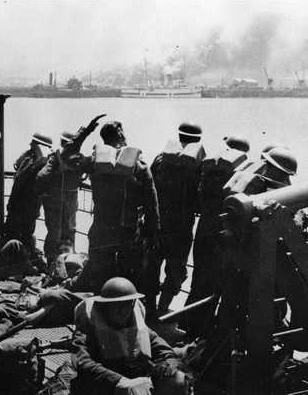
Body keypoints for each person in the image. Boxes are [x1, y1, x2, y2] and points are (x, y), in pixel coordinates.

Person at [61, 115, 159, 295]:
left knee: (100, 282)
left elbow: (67, 155)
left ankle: (98, 317)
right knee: (130, 282)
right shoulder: (140, 167)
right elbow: (152, 205)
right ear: (122, 137)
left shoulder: (93, 163)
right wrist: (151, 235)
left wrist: (86, 130)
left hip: (101, 232)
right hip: (129, 234)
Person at [180, 135, 250, 338]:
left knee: (198, 280)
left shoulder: (209, 167)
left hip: (203, 229)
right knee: (213, 283)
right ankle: (197, 331)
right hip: (220, 233)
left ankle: (186, 324)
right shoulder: (240, 171)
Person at [71, 277, 186, 395]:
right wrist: (121, 381)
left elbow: (166, 351)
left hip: (136, 381)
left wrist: (167, 368)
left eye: (128, 304)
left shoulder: (138, 327)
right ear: (106, 306)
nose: (124, 311)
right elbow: (83, 362)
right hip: (104, 383)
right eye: (118, 305)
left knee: (178, 376)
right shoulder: (89, 328)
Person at [145, 122, 205, 319]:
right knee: (177, 268)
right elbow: (200, 197)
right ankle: (163, 309)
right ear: (198, 140)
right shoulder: (197, 164)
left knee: (152, 264)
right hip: (181, 225)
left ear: (179, 137)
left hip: (157, 221)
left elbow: (149, 184)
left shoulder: (161, 159)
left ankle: (150, 308)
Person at [35, 130, 85, 265]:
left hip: (53, 199)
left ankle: (52, 264)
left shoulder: (56, 157)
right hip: (72, 199)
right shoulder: (80, 159)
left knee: (54, 232)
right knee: (69, 232)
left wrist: (42, 193)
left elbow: (42, 176)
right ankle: (69, 263)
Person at [3, 132, 52, 261]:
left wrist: (11, 201)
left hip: (20, 203)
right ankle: (25, 262)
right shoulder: (48, 162)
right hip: (34, 205)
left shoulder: (29, 159)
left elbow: (19, 180)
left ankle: (11, 263)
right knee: (27, 234)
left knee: (12, 233)